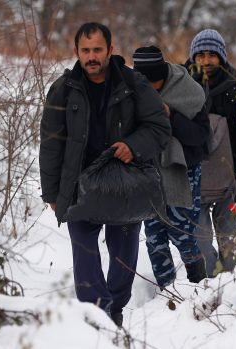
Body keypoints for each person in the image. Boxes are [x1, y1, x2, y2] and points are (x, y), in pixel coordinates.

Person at [39, 22, 171, 326]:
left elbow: (160, 128)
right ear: (76, 52)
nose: (91, 57)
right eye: (85, 51)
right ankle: (96, 317)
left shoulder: (133, 83)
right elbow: (51, 146)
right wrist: (52, 193)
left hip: (125, 183)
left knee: (123, 253)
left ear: (110, 50)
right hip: (78, 185)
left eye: (97, 49)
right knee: (84, 254)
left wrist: (132, 145)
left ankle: (115, 309)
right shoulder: (62, 90)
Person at [132, 46, 209, 289]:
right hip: (149, 171)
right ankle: (167, 291)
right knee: (154, 238)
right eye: (147, 83)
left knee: (183, 233)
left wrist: (171, 116)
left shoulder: (188, 91)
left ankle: (198, 284)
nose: (152, 88)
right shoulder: (133, 91)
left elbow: (200, 137)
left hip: (183, 170)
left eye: (156, 82)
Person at [185, 29, 236, 277]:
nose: (206, 61)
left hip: (231, 183)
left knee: (232, 246)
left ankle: (232, 292)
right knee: (199, 244)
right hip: (193, 181)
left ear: (222, 57)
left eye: (212, 55)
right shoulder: (181, 86)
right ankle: (209, 289)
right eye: (201, 55)